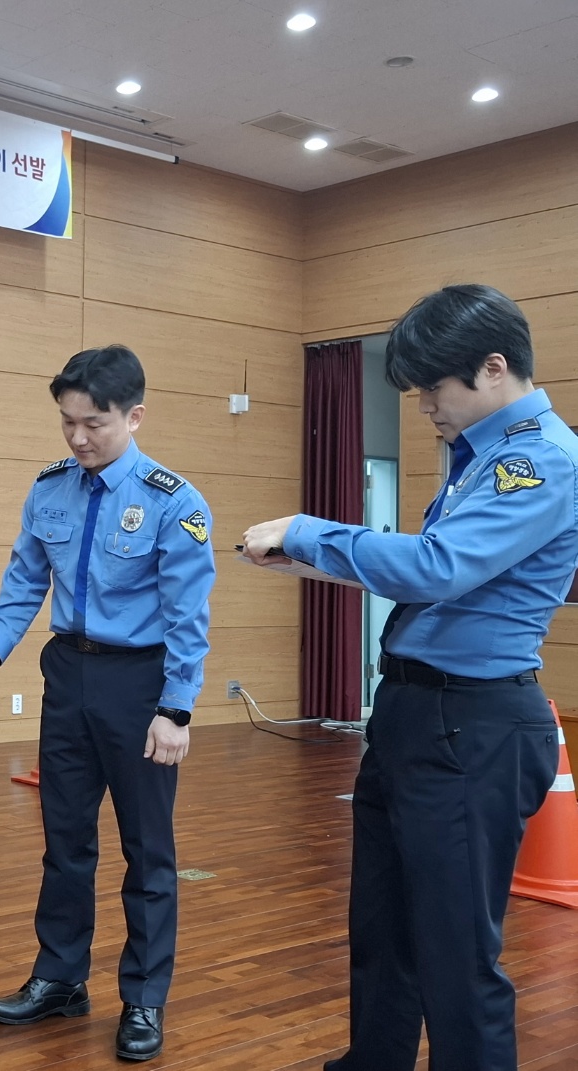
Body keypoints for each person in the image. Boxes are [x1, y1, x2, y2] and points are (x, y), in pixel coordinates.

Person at [241, 284, 572, 1071]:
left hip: (472, 722)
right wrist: (316, 561)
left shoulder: (538, 460)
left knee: (456, 951)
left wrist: (310, 531)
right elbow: (443, 579)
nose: (426, 407)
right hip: (415, 710)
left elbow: (439, 566)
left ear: (494, 368)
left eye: (434, 388)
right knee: (383, 924)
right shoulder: (479, 455)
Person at [0, 346, 215, 1062]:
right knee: (64, 839)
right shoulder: (50, 489)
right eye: (67, 422)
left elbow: (188, 616)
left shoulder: (173, 501)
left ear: (134, 417)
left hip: (141, 684)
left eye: (93, 423)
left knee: (147, 849)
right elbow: (25, 577)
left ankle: (145, 997)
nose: (77, 437)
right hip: (68, 675)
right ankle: (60, 976)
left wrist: (177, 708)